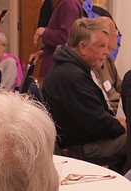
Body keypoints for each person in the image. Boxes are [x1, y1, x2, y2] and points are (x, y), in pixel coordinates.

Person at [43, 18, 126, 168]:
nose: (106, 52)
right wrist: (121, 125)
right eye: (101, 46)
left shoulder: (70, 69)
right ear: (82, 47)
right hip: (79, 149)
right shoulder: (72, 77)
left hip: (81, 140)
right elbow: (99, 125)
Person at [30, 0, 83, 77]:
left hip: (60, 70)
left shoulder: (69, 3)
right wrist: (44, 52)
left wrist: (43, 32)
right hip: (57, 68)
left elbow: (66, 38)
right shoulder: (65, 3)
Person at [92, 16, 122, 113]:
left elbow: (120, 86)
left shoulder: (107, 58)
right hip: (108, 112)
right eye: (115, 31)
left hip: (119, 108)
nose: (117, 35)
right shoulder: (91, 61)